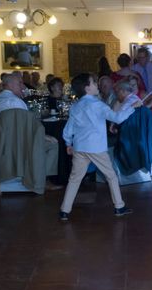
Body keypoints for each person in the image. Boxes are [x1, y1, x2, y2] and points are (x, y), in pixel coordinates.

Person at [59, 73, 139, 221]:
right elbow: (117, 118)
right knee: (111, 176)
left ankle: (64, 210)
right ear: (87, 88)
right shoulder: (98, 104)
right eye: (94, 83)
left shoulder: (76, 106)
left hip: (79, 147)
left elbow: (69, 128)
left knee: (75, 179)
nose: (97, 85)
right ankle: (119, 207)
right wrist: (132, 108)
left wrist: (68, 143)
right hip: (96, 148)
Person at [0, 73, 61, 189]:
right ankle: (43, 180)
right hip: (18, 144)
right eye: (19, 83)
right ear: (10, 85)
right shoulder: (16, 102)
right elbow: (27, 128)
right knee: (53, 143)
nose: (23, 87)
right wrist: (44, 136)